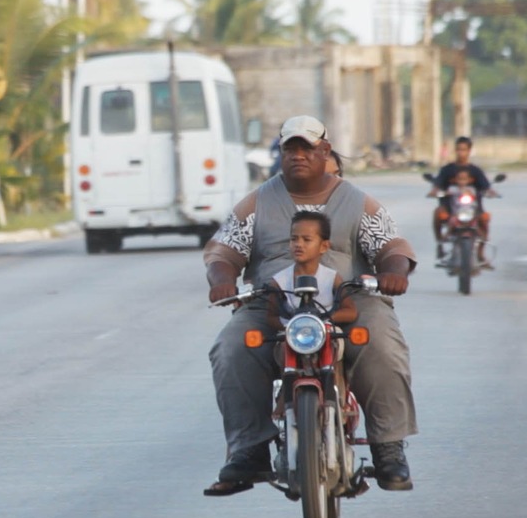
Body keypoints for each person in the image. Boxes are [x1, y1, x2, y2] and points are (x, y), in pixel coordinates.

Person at [203, 115, 417, 495]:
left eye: (307, 148)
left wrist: (393, 272)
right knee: (231, 347)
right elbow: (224, 250)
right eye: (291, 148)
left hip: (347, 298)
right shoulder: (256, 203)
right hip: (273, 301)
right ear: (281, 154)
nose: (299, 155)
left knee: (383, 342)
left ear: (325, 151)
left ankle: (388, 447)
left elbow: (391, 246)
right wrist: (222, 280)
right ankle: (248, 449)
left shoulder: (356, 201)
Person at [264, 210, 358, 332]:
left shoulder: (332, 278)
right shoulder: (279, 281)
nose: (299, 244)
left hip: (324, 332)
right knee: (280, 345)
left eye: (307, 239)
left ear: (324, 246)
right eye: (294, 239)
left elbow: (350, 311)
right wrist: (291, 325)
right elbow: (271, 317)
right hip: (293, 334)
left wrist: (324, 319)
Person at [427, 136, 492, 262]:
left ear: (469, 151)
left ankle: (480, 252)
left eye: (464, 150)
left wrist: (491, 192)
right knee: (438, 214)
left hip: (473, 208)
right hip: (450, 208)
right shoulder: (447, 169)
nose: (461, 153)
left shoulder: (476, 171)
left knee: (485, 218)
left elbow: (486, 186)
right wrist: (434, 191)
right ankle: (440, 243)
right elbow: (438, 184)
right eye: (458, 149)